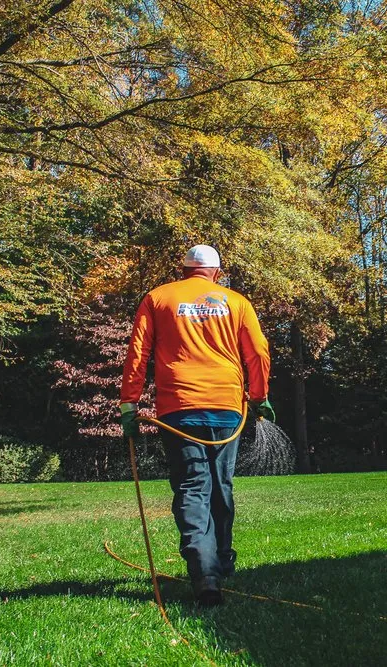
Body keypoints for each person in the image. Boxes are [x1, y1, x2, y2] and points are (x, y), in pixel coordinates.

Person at [119, 244, 274, 607]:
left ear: (183, 269)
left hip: (179, 408)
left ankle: (205, 572)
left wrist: (130, 401)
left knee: (192, 485)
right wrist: (259, 394)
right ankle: (220, 559)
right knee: (221, 483)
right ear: (217, 273)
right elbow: (258, 351)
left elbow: (138, 350)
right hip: (226, 407)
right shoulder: (236, 302)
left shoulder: (158, 297)